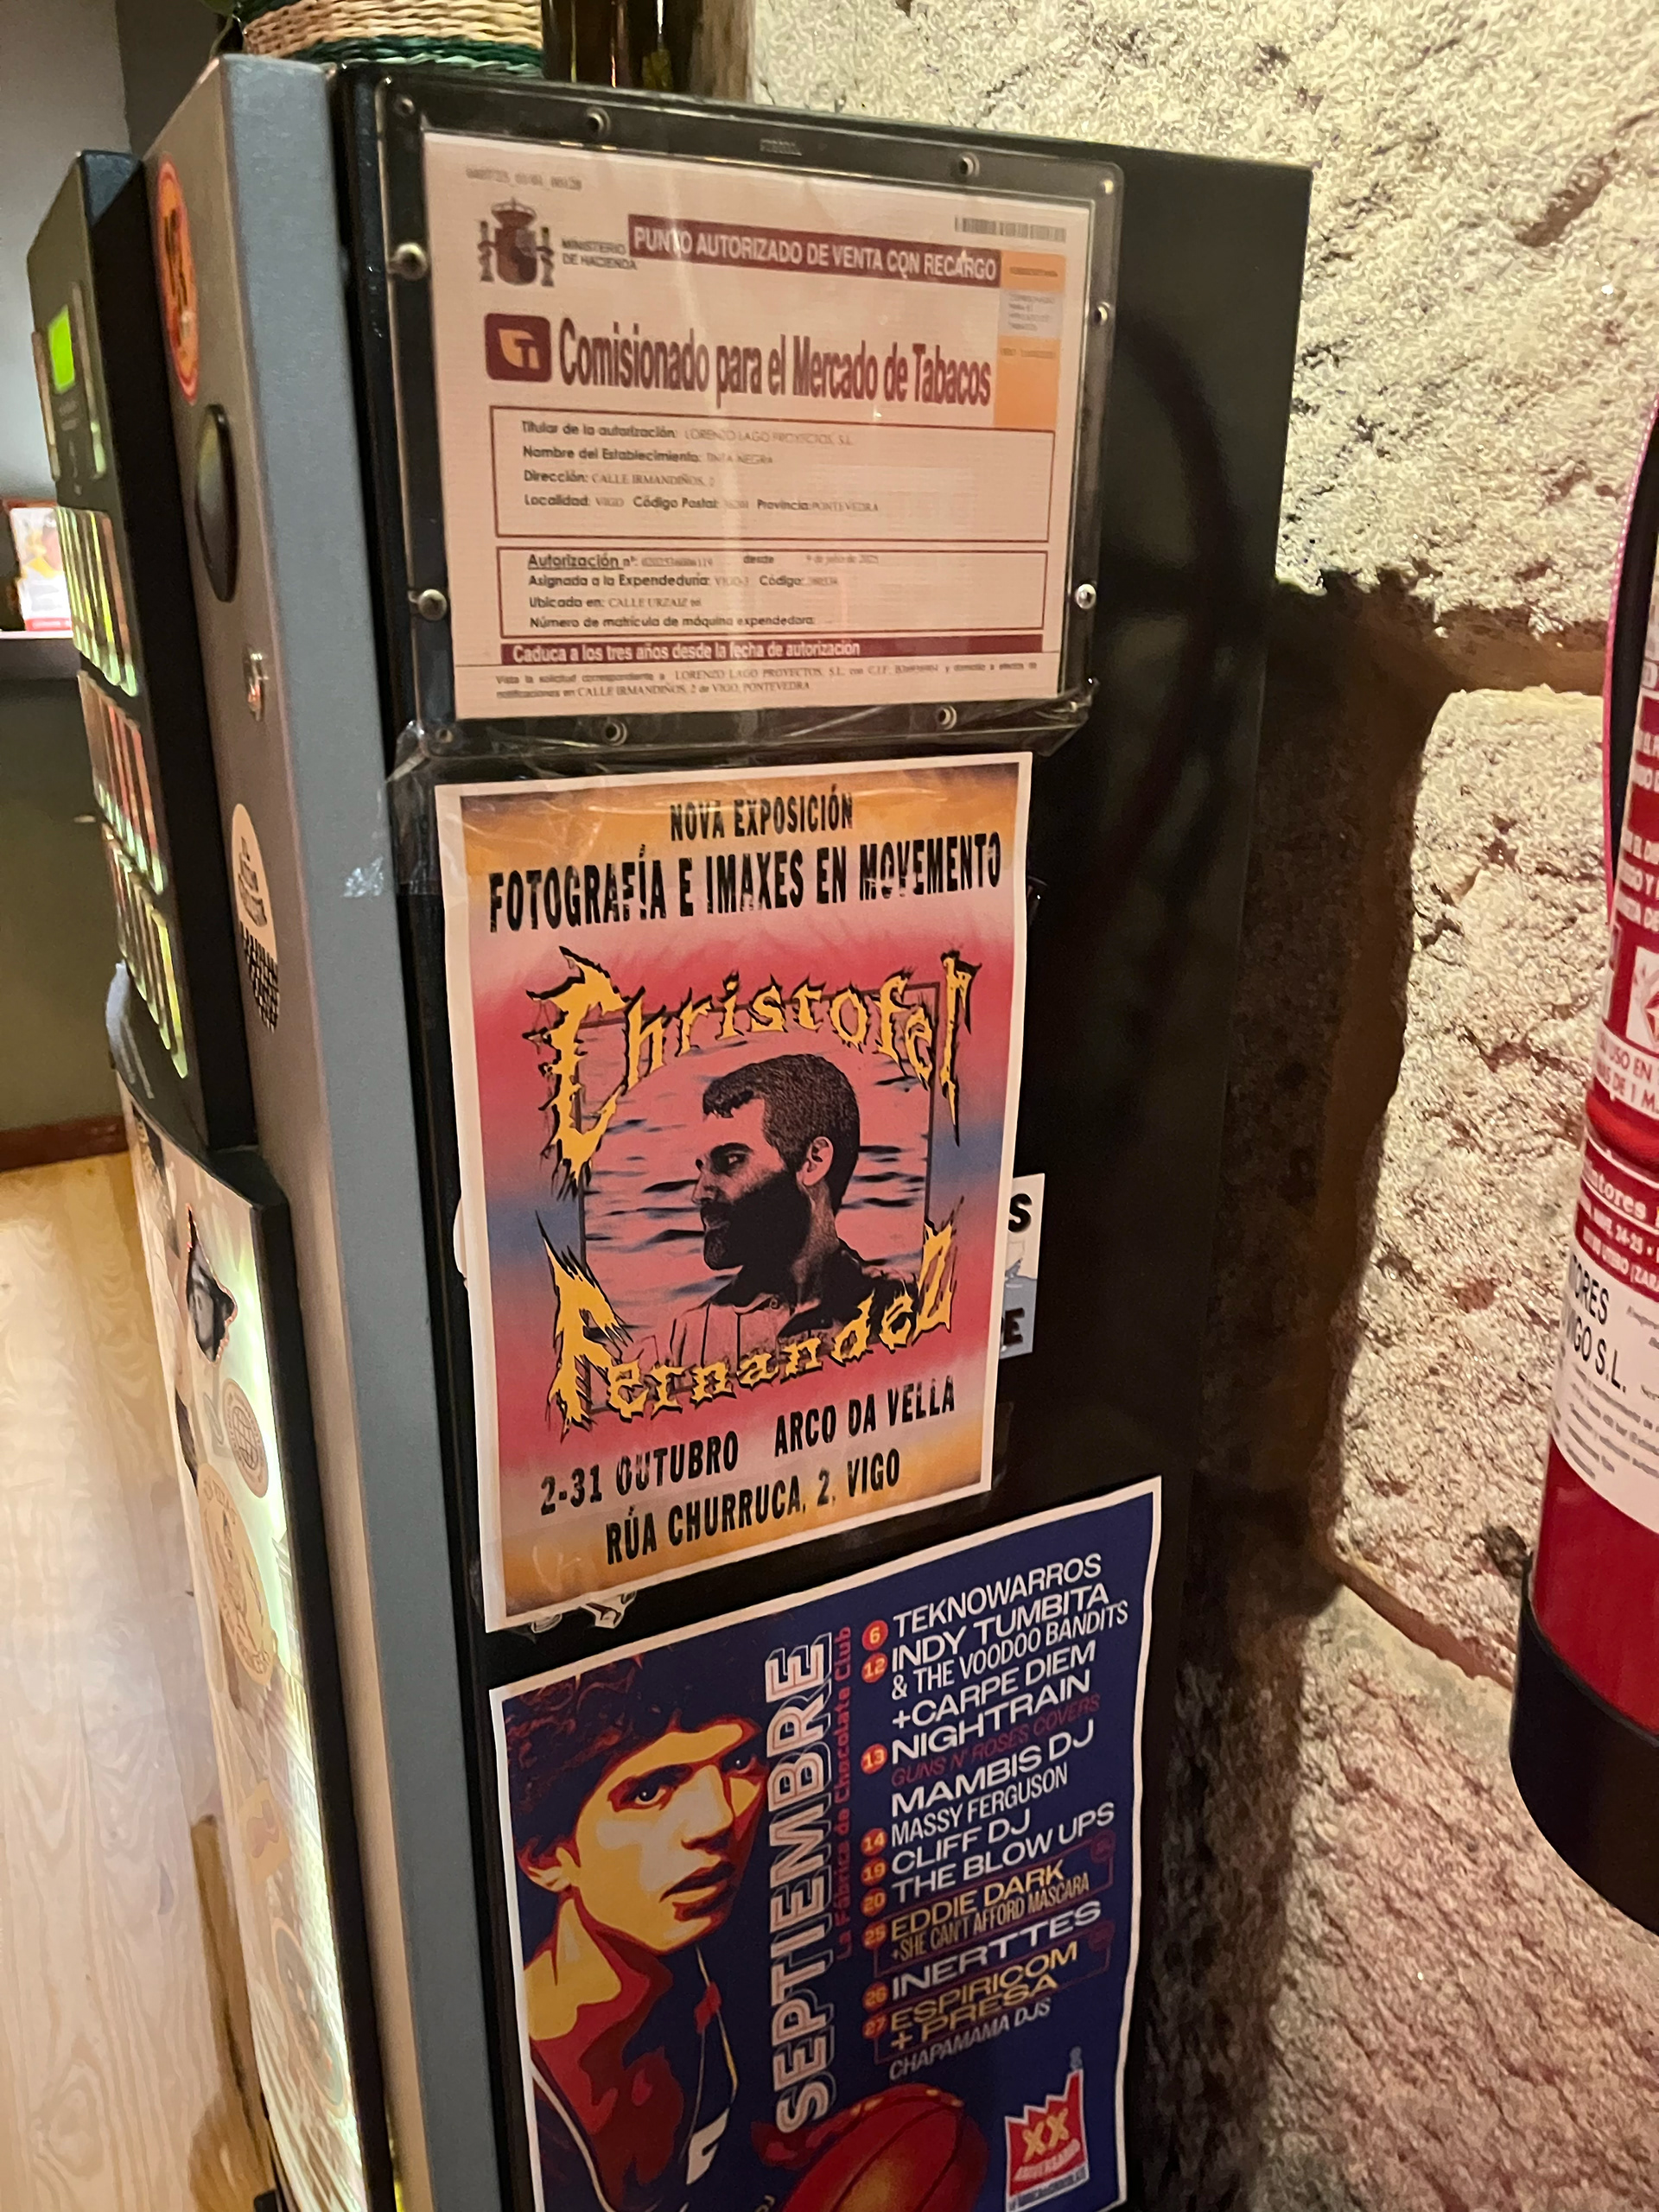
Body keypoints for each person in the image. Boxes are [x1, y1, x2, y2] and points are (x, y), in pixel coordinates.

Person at [507, 1662, 766, 2212]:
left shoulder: (738, 1980)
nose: (718, 1818)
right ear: (548, 1858)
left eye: (739, 1763)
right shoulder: (509, 2086)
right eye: (650, 1791)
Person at [670, 1055, 906, 1368]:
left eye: (731, 1161)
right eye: (701, 1168)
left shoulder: (903, 1307)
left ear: (814, 1161)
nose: (699, 1194)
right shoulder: (683, 1344)